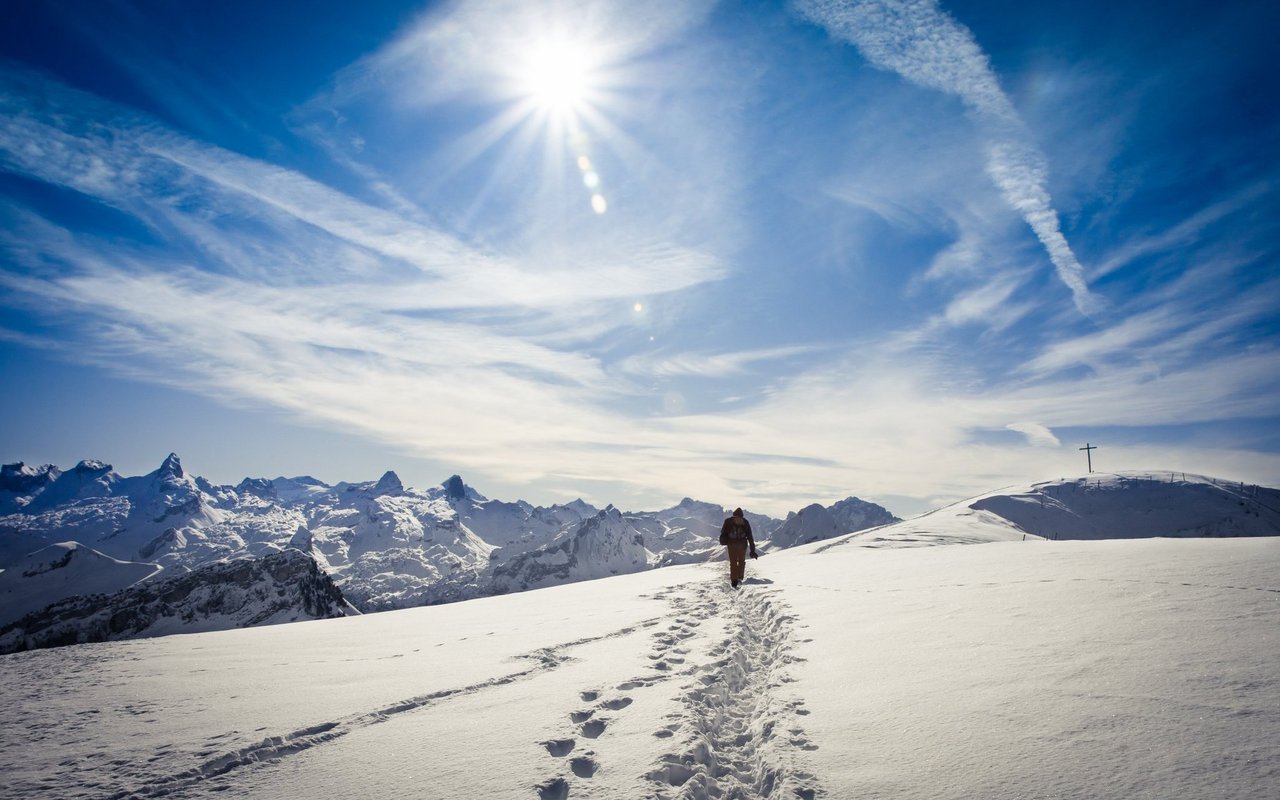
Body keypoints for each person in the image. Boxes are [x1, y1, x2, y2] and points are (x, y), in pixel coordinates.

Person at [719, 507, 757, 588]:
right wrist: (752, 550)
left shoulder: (728, 521)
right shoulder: (745, 522)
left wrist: (724, 540)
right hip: (742, 544)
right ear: (742, 515)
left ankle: (734, 580)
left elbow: (723, 532)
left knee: (733, 562)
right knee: (741, 561)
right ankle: (740, 577)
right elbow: (750, 536)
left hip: (731, 544)